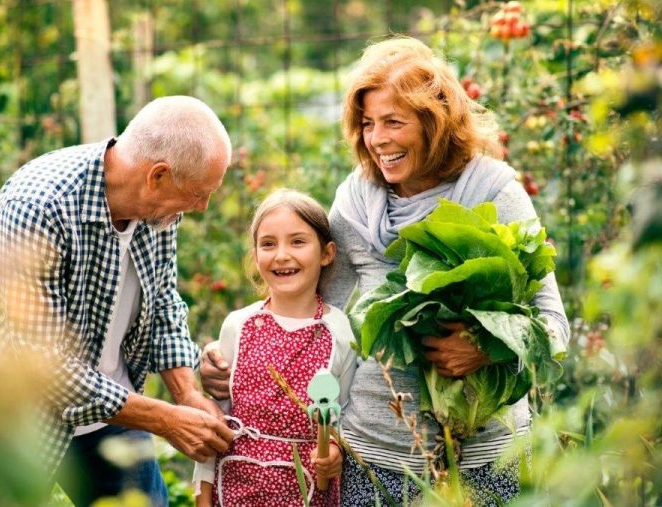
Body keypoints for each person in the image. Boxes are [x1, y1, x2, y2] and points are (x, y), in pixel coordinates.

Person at [200, 37, 569, 506]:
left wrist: (487, 347)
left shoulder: (493, 194)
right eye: (368, 124)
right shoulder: (355, 201)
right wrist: (229, 358)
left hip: (481, 457)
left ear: (435, 124)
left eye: (394, 122)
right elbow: (313, 316)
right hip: (372, 454)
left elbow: (553, 327)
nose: (377, 139)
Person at [0, 95, 236, 506]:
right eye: (197, 194)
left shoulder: (159, 210)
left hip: (109, 410)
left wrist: (187, 395)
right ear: (157, 175)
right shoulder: (40, 208)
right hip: (12, 417)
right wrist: (166, 420)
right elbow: (47, 371)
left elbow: (164, 304)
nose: (202, 207)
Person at [193, 189, 358, 506]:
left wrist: (334, 452)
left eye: (298, 242)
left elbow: (344, 418)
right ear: (255, 256)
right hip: (235, 488)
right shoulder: (238, 326)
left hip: (307, 490)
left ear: (326, 253)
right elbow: (216, 421)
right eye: (268, 244)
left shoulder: (339, 331)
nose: (282, 255)